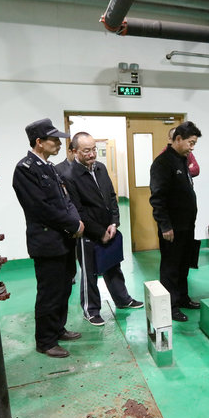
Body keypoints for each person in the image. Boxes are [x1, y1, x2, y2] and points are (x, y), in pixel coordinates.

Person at [13, 118, 84, 358]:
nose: (59, 144)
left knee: (63, 289)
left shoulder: (49, 168)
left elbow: (66, 199)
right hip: (47, 243)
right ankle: (45, 341)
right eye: (54, 140)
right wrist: (73, 224)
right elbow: (41, 209)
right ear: (39, 142)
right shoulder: (25, 170)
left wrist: (76, 221)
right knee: (49, 293)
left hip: (64, 240)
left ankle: (58, 329)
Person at [61, 131, 144, 326]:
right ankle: (91, 310)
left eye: (94, 149)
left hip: (109, 228)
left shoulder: (100, 168)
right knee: (89, 273)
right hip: (88, 233)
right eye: (86, 151)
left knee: (113, 266)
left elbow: (112, 196)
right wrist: (99, 233)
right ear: (74, 151)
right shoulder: (69, 176)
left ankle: (122, 299)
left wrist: (114, 222)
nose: (91, 154)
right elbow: (78, 211)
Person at [150, 121, 202, 322]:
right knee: (170, 267)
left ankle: (182, 298)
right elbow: (158, 198)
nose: (192, 147)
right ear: (178, 139)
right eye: (191, 143)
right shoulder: (162, 163)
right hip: (172, 227)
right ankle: (170, 306)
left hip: (187, 225)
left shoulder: (182, 160)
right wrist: (165, 225)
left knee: (183, 264)